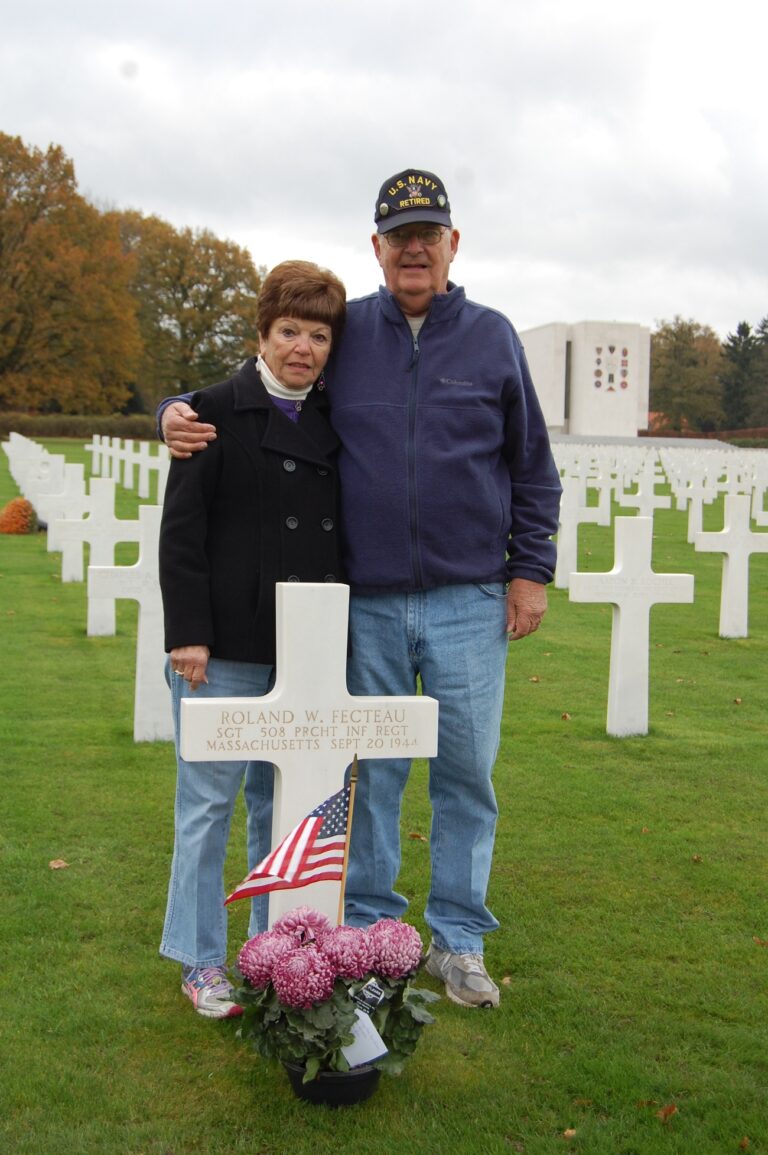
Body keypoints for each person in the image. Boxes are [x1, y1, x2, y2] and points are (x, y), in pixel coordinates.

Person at [160, 169, 562, 1009]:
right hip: (366, 602)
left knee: (465, 772)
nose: (414, 248)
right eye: (398, 236)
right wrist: (171, 409)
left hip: (468, 597)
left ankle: (457, 940)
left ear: (454, 244)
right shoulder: (350, 332)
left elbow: (531, 464)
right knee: (370, 773)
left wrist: (530, 573)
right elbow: (254, 394)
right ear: (375, 247)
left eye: (429, 234)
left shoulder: (492, 337)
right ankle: (377, 938)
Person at [158, 259, 346, 1018]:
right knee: (207, 807)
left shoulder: (338, 418)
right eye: (290, 331)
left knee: (284, 808)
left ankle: (273, 953)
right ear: (261, 335)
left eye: (319, 334)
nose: (303, 347)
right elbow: (183, 534)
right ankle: (202, 961)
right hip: (223, 647)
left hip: (305, 651)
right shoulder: (207, 411)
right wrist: (189, 635)